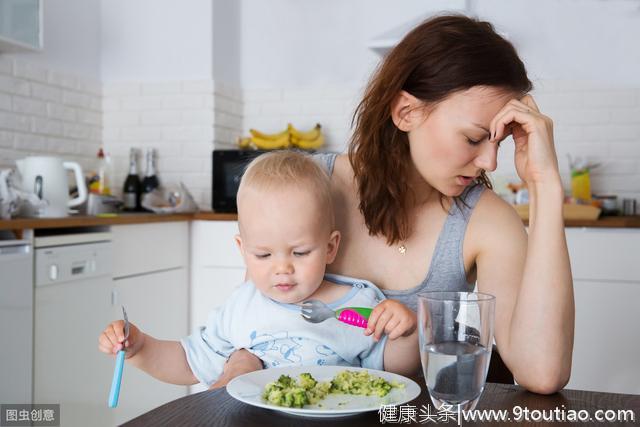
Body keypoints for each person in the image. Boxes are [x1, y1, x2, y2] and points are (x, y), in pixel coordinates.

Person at [217, 14, 574, 394]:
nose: (490, 162)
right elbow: (253, 319)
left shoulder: (487, 221)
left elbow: (542, 372)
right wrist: (239, 361)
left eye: (497, 142)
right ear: (406, 112)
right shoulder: (306, 189)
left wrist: (546, 186)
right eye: (473, 139)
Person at [98, 151, 420, 388]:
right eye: (263, 255)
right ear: (243, 251)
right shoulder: (242, 306)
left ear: (330, 247)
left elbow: (392, 372)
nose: (282, 268)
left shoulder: (359, 305)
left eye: (301, 252)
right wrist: (140, 347)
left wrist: (405, 334)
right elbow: (189, 363)